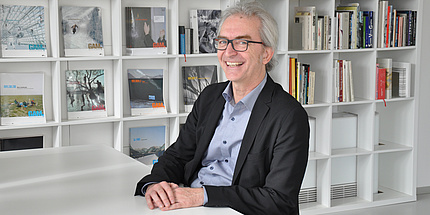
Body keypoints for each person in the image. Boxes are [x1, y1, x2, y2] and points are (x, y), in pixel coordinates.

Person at [135, 2, 309, 214]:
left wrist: (203, 195)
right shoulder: (210, 96)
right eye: (223, 42)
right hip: (190, 206)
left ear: (266, 54)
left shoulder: (289, 116)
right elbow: (178, 156)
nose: (229, 52)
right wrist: (154, 184)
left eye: (242, 43)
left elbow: (279, 200)